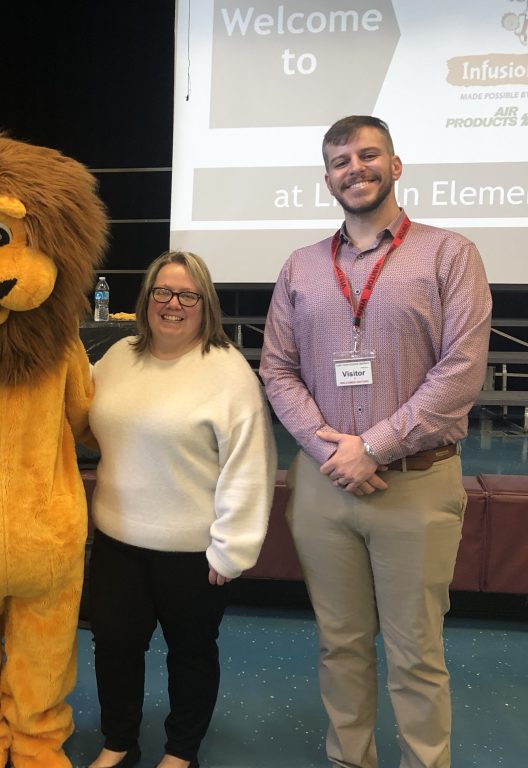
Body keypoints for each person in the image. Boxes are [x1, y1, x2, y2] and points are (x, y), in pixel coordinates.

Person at [260, 115, 492, 768]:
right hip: (324, 486)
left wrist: (375, 446)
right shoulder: (302, 267)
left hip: (415, 485)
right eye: (339, 161)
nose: (353, 168)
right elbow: (277, 367)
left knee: (416, 650)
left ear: (395, 165)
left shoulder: (451, 254)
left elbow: (461, 372)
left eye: (368, 155)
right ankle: (349, 760)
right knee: (340, 644)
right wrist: (332, 449)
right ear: (327, 178)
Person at [87, 251, 276, 768]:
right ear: (146, 299)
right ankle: (119, 742)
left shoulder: (228, 372)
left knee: (191, 654)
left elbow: (250, 465)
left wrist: (231, 549)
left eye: (187, 295)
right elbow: (83, 416)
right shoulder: (119, 355)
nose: (173, 304)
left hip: (193, 552)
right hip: (116, 539)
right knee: (114, 647)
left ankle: (180, 751)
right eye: (162, 293)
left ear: (204, 304)